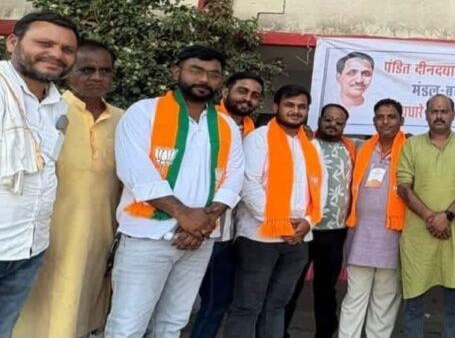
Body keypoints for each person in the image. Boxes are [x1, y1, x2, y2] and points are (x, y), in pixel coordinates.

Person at [104, 45, 245, 338]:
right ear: (176, 71)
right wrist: (184, 215)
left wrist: (203, 223)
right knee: (127, 327)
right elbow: (135, 172)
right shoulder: (144, 112)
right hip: (147, 237)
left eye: (213, 74)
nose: (204, 79)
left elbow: (234, 177)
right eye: (196, 70)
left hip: (199, 240)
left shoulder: (226, 125)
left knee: (173, 323)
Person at [14, 40, 122, 338]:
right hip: (49, 235)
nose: (97, 77)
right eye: (86, 70)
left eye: (105, 71)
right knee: (39, 312)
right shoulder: (46, 113)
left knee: (82, 308)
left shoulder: (123, 120)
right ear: (68, 72)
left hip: (100, 236)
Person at [224, 85, 327, 338]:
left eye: (301, 107)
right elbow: (249, 185)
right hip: (259, 238)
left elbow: (320, 187)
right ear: (276, 107)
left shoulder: (312, 145)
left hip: (298, 239)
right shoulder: (258, 139)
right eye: (289, 105)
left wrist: (308, 222)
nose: (296, 111)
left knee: (277, 305)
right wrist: (280, 222)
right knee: (247, 306)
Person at [0, 12, 79, 337]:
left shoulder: (57, 104)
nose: (56, 54)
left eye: (66, 49)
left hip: (28, 247)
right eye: (44, 43)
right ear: (13, 42)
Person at [396, 94, 455, 338]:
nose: (439, 116)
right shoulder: (412, 145)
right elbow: (403, 186)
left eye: (444, 111)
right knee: (413, 305)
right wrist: (431, 217)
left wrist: (448, 216)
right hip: (419, 237)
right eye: (434, 111)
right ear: (426, 115)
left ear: (453, 115)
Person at [191, 70, 263, 338]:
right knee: (185, 302)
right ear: (225, 92)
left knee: (217, 301)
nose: (248, 99)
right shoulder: (205, 123)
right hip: (201, 224)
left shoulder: (254, 132)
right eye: (242, 91)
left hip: (233, 231)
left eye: (254, 95)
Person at [284, 104, 355, 338]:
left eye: (339, 122)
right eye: (328, 119)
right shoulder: (305, 143)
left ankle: (324, 333)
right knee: (291, 284)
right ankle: (279, 331)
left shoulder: (351, 148)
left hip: (335, 232)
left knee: (326, 288)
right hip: (304, 228)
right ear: (320, 119)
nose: (333, 125)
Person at [337, 99, 407, 338]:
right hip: (361, 237)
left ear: (401, 120)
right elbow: (331, 139)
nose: (385, 121)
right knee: (354, 298)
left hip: (394, 236)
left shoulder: (411, 149)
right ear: (374, 121)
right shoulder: (362, 148)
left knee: (384, 302)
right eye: (380, 117)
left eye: (391, 117)